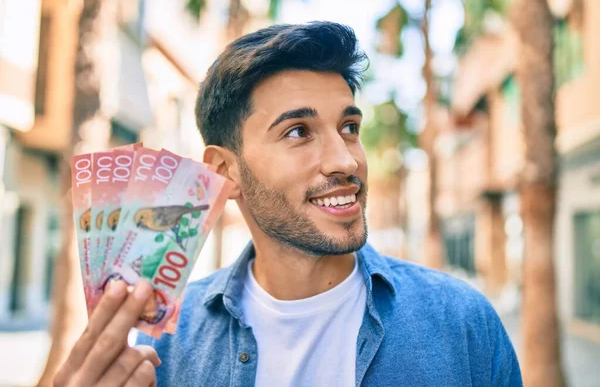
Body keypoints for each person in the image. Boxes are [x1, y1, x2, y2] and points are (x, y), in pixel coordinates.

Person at [55, 21, 523, 387]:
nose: (346, 160)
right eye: (298, 132)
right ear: (224, 172)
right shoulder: (168, 347)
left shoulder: (463, 326)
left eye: (349, 127)